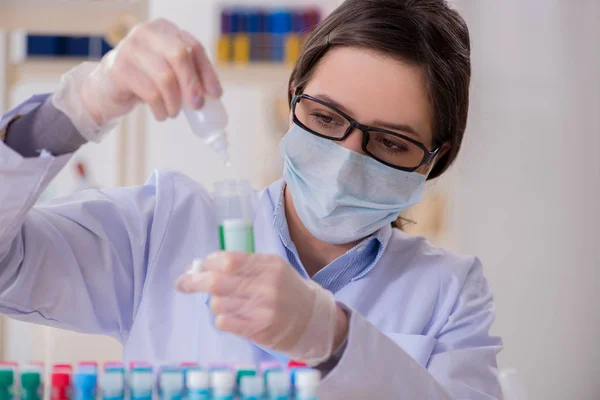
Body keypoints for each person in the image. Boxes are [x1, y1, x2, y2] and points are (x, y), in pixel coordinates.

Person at [0, 0, 502, 398]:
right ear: (292, 98)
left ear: (435, 159)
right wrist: (78, 107)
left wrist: (333, 339)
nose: (347, 160)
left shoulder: (450, 293)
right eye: (325, 118)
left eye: (392, 143)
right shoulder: (162, 229)